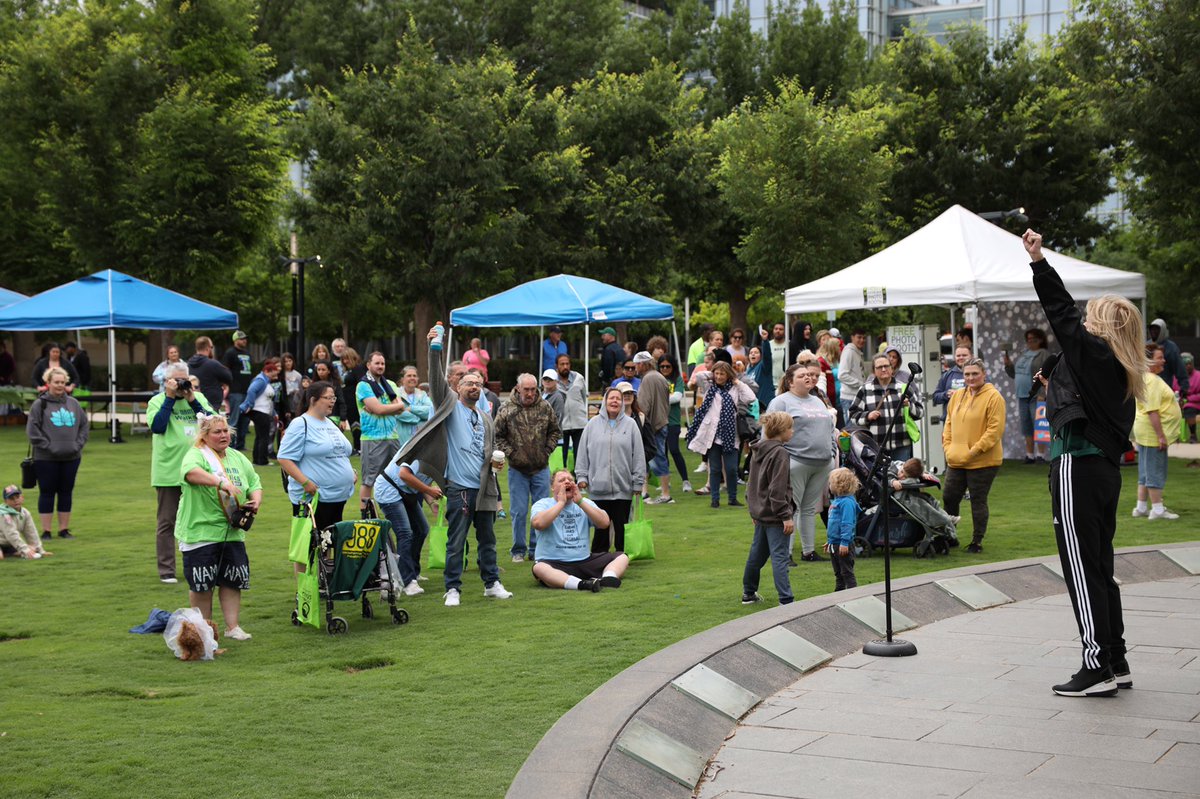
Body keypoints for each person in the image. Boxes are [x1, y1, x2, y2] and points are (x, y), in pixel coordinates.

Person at [1025, 228, 1146, 698]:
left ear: (1104, 326)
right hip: (1104, 472)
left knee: (1081, 568)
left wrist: (1038, 262)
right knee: (1098, 565)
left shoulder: (1095, 354)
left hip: (1078, 464)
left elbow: (1061, 314)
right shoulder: (1121, 367)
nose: (1086, 320)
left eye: (1093, 316)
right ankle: (1115, 657)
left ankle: (1096, 665)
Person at [392, 328, 513, 606]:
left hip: (484, 488)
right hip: (459, 487)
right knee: (456, 540)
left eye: (478, 383)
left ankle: (491, 583)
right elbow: (435, 377)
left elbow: (490, 454)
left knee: (488, 540)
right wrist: (435, 347)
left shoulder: (484, 417)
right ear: (457, 388)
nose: (473, 386)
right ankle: (453, 589)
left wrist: (498, 463)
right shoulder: (449, 405)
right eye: (467, 382)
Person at [176, 414, 262, 641]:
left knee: (232, 580)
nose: (223, 435)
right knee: (202, 583)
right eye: (217, 432)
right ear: (204, 436)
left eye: (225, 431)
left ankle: (232, 627)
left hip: (232, 531)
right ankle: (204, 632)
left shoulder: (237, 457)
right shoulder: (196, 454)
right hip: (201, 531)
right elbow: (189, 473)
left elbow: (254, 482)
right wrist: (220, 482)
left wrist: (256, 499)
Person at [148, 362, 215, 583]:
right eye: (175, 380)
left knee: (201, 519)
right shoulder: (157, 401)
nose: (180, 384)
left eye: (183, 379)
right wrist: (169, 397)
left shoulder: (198, 398)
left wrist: (192, 400)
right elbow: (158, 426)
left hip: (199, 470)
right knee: (167, 522)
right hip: (169, 471)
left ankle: (202, 564)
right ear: (166, 381)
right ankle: (166, 570)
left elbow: (212, 424)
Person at [278, 380, 358, 555]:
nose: (332, 401)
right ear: (313, 400)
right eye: (328, 397)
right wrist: (306, 482)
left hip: (337, 496)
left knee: (327, 543)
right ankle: (305, 583)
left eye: (334, 397)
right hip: (313, 498)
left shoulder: (330, 423)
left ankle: (324, 581)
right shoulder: (301, 423)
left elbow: (340, 451)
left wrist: (350, 471)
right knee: (307, 547)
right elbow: (284, 458)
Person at [767, 364, 836, 564]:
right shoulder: (781, 402)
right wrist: (779, 459)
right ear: (790, 382)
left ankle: (808, 552)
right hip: (795, 462)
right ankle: (785, 554)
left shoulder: (817, 400)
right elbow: (769, 434)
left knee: (808, 509)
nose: (808, 377)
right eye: (802, 375)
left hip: (822, 463)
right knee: (791, 508)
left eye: (809, 375)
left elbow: (829, 428)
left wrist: (831, 451)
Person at [941, 357, 1005, 553]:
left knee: (978, 500)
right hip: (957, 459)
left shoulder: (994, 397)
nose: (971, 377)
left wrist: (975, 450)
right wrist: (948, 448)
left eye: (975, 374)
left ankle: (977, 541)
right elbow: (948, 424)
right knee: (949, 497)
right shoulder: (957, 396)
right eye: (967, 374)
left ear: (984, 374)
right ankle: (950, 535)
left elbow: (994, 430)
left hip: (983, 461)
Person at [495, 373, 560, 563]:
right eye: (527, 389)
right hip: (517, 469)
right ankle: (518, 550)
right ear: (518, 389)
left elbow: (555, 431)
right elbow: (497, 435)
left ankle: (536, 548)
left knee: (540, 511)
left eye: (533, 389)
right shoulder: (507, 408)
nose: (530, 393)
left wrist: (547, 449)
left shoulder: (545, 407)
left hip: (541, 468)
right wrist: (512, 453)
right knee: (519, 511)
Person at [530, 470, 627, 592]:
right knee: (539, 568)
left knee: (622, 556)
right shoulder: (543, 504)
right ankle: (582, 584)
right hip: (554, 563)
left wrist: (580, 502)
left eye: (570, 480)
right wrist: (561, 503)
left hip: (585, 561)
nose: (567, 482)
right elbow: (538, 523)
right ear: (552, 487)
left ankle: (607, 578)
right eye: (561, 480)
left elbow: (604, 523)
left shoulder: (584, 503)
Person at [575, 387, 645, 553]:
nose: (614, 401)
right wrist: (582, 477)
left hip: (623, 489)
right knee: (601, 531)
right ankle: (599, 558)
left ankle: (622, 558)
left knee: (622, 530)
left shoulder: (631, 425)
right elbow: (582, 453)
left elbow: (639, 455)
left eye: (618, 399)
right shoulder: (592, 425)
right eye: (611, 398)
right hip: (598, 489)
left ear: (622, 403)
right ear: (605, 401)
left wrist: (638, 482)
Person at [740, 412, 796, 605]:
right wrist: (785, 516)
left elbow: (751, 485)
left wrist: (753, 509)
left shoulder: (757, 449)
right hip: (774, 516)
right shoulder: (780, 453)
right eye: (790, 428)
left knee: (756, 555)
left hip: (760, 513)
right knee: (780, 557)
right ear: (781, 431)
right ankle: (786, 599)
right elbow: (777, 488)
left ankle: (748, 593)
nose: (793, 431)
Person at [26, 367, 88, 540]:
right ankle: (46, 531)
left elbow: (84, 425)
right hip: (46, 458)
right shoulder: (40, 404)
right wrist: (48, 446)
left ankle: (64, 529)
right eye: (56, 382)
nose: (60, 385)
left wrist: (78, 444)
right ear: (48, 383)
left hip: (71, 457)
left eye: (63, 382)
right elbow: (32, 431)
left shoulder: (74, 404)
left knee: (66, 492)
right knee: (47, 492)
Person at [687, 361, 756, 508]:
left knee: (731, 469)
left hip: (730, 435)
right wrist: (713, 372)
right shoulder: (709, 386)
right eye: (716, 373)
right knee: (715, 468)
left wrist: (737, 381)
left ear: (728, 375)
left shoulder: (735, 388)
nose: (719, 377)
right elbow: (698, 376)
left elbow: (750, 398)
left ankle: (732, 498)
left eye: (722, 374)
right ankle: (715, 500)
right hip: (712, 435)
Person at [375, 453, 440, 596]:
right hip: (389, 489)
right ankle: (407, 580)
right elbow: (404, 475)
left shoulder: (439, 455)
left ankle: (412, 572)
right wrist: (429, 491)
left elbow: (423, 480)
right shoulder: (423, 452)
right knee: (405, 533)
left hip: (405, 492)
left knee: (422, 529)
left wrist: (431, 502)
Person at [1131, 344, 1182, 520]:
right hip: (1152, 433)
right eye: (1160, 357)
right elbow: (1152, 410)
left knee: (1145, 470)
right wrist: (1161, 435)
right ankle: (1158, 509)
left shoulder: (1144, 378)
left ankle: (1141, 507)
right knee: (1155, 470)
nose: (1164, 360)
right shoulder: (1151, 380)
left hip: (1145, 431)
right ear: (1149, 360)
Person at [353, 352, 405, 515]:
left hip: (392, 436)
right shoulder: (363, 385)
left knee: (397, 477)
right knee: (369, 480)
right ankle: (365, 515)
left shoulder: (390, 384)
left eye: (382, 363)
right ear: (369, 365)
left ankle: (395, 510)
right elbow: (380, 409)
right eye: (377, 363)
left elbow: (400, 408)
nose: (380, 366)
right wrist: (384, 409)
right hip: (372, 438)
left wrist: (381, 409)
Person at [850, 353, 923, 462]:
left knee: (901, 476)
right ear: (874, 370)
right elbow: (852, 415)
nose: (883, 369)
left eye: (886, 366)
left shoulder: (904, 387)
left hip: (902, 445)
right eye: (879, 367)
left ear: (891, 368)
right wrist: (867, 416)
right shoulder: (865, 390)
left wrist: (909, 406)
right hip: (876, 446)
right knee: (879, 478)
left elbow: (920, 412)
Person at [1003, 328, 1050, 463]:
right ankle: (1030, 455)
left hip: (1037, 396)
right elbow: (1014, 374)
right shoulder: (1024, 354)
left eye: (1033, 339)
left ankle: (1041, 455)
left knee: (1039, 425)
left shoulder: (1044, 354)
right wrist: (1009, 365)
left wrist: (1042, 393)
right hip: (1022, 396)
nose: (1030, 342)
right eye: (1028, 339)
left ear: (1040, 340)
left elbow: (1047, 374)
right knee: (1026, 426)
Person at [635, 351, 673, 504]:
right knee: (646, 459)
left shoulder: (648, 379)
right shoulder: (659, 377)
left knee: (657, 459)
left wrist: (639, 422)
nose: (635, 367)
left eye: (637, 364)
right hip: (661, 422)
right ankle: (644, 492)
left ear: (643, 364)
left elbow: (644, 405)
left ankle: (665, 494)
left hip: (653, 426)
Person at [889, 457, 960, 538]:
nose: (900, 476)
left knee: (930, 500)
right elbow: (887, 478)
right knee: (922, 505)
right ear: (903, 465)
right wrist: (893, 481)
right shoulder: (893, 467)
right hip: (900, 498)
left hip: (910, 494)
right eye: (901, 472)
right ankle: (945, 520)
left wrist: (923, 474)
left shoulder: (912, 470)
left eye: (905, 477)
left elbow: (923, 473)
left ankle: (945, 518)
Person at [657, 356, 692, 493]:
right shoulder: (656, 379)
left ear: (673, 367)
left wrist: (659, 399)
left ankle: (685, 480)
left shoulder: (677, 379)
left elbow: (677, 397)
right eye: (662, 366)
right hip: (658, 420)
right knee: (661, 452)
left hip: (672, 421)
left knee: (674, 449)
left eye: (668, 366)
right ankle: (666, 482)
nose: (665, 369)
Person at [238, 356, 281, 467]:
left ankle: (257, 459)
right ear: (267, 371)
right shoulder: (261, 380)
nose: (275, 376)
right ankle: (262, 460)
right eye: (273, 373)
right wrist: (250, 404)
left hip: (262, 412)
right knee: (263, 437)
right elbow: (251, 390)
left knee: (260, 436)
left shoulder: (263, 380)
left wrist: (274, 413)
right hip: (260, 412)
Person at [825, 467, 861, 592]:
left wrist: (844, 542)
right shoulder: (837, 501)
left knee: (846, 572)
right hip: (835, 543)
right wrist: (830, 541)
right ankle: (839, 594)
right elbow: (834, 524)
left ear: (840, 484)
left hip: (843, 544)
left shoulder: (847, 503)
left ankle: (853, 594)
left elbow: (847, 524)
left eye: (831, 483)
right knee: (838, 573)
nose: (829, 485)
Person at [222, 330, 254, 450]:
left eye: (245, 338)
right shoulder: (230, 353)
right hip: (235, 390)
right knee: (234, 420)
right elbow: (225, 370)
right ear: (235, 340)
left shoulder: (247, 353)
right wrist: (227, 385)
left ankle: (241, 445)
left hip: (247, 391)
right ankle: (229, 445)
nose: (244, 340)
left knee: (245, 420)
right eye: (241, 339)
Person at [555, 354, 588, 469]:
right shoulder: (553, 381)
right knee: (561, 456)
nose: (565, 366)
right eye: (562, 364)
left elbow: (584, 398)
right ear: (557, 366)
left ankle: (579, 480)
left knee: (580, 455)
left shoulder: (579, 378)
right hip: (561, 425)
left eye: (567, 364)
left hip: (579, 423)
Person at [0, 485, 51, 560]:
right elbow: (11, 534)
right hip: (5, 541)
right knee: (0, 557)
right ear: (6, 501)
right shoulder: (4, 514)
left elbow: (31, 532)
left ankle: (9, 553)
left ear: (22, 498)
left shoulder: (25, 513)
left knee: (33, 549)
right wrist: (25, 549)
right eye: (11, 498)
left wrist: (40, 550)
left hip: (10, 544)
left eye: (17, 497)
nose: (15, 500)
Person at [187, 336, 232, 414]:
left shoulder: (188, 364)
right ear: (208, 348)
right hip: (211, 404)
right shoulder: (212, 364)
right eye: (211, 347)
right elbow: (229, 377)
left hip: (193, 402)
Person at [396, 365, 433, 446]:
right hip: (402, 441)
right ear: (402, 379)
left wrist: (411, 409)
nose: (412, 378)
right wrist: (420, 417)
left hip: (420, 440)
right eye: (409, 376)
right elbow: (398, 413)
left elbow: (430, 411)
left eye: (414, 376)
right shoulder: (396, 393)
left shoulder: (422, 394)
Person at [1147, 318, 1189, 390]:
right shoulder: (1146, 345)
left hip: (1164, 389)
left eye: (1156, 329)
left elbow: (1180, 369)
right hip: (1147, 387)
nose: (1153, 331)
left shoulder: (1171, 348)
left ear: (1162, 330)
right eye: (1152, 329)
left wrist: (1184, 388)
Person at [340, 347, 367, 455]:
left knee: (357, 424)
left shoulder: (358, 369)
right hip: (348, 403)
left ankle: (359, 447)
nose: (345, 361)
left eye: (347, 359)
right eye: (343, 359)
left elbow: (362, 384)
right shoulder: (347, 371)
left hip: (355, 402)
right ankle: (356, 447)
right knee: (353, 425)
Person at [837, 329, 868, 421]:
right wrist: (860, 384)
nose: (862, 340)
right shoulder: (849, 351)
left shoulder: (857, 352)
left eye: (864, 338)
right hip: (849, 397)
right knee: (851, 429)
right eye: (859, 337)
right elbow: (842, 375)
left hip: (857, 396)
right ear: (852, 337)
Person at [933, 345, 971, 412]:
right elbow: (935, 397)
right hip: (950, 420)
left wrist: (962, 395)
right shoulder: (947, 375)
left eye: (964, 355)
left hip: (971, 418)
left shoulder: (979, 374)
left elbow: (985, 396)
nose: (961, 358)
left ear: (971, 356)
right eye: (958, 356)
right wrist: (947, 394)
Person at [1177, 353, 1199, 443]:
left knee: (1189, 408)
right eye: (1186, 364)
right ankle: (1174, 435)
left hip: (1196, 403)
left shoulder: (1198, 376)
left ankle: (1193, 435)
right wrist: (1179, 399)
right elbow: (1174, 390)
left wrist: (1189, 399)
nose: (1188, 366)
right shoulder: (1176, 376)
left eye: (1190, 364)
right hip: (1179, 402)